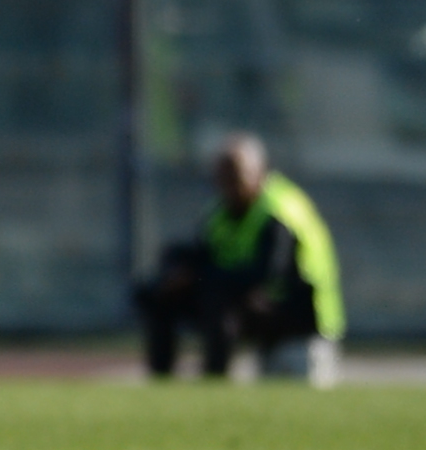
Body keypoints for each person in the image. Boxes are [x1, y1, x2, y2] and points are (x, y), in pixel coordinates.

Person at [136, 133, 342, 384]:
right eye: (223, 177)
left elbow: (268, 274)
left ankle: (215, 381)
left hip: (301, 320)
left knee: (216, 295)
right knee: (161, 296)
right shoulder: (221, 211)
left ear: (259, 172)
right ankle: (162, 385)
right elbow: (203, 253)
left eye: (236, 175)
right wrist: (176, 274)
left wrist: (205, 278)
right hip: (256, 311)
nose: (229, 184)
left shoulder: (280, 210)